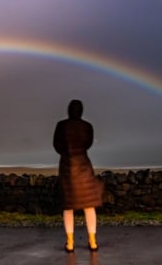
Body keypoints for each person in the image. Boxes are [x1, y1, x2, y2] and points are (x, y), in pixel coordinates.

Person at [53, 100, 103, 253]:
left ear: (69, 110)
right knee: (89, 204)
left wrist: (67, 152)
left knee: (68, 206)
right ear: (81, 111)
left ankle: (70, 243)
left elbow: (56, 145)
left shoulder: (61, 125)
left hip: (67, 165)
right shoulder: (87, 126)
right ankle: (93, 242)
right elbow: (88, 144)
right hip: (83, 164)